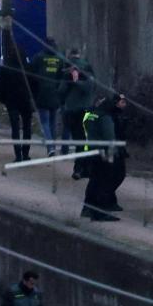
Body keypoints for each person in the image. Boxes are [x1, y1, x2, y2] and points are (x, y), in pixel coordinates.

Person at [81, 93, 129, 221]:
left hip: (91, 150)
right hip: (104, 153)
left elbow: (85, 127)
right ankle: (99, 212)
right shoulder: (105, 117)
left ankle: (88, 209)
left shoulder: (91, 114)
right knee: (103, 182)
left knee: (94, 181)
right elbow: (110, 137)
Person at [0, 46, 38, 163]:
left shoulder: (6, 69)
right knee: (27, 127)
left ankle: (18, 155)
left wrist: (3, 99)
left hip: (11, 101)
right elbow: (35, 84)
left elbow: (0, 86)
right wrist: (34, 98)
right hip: (26, 101)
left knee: (15, 128)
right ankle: (26, 153)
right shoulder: (28, 68)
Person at [62, 51, 96, 177]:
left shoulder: (81, 73)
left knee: (80, 141)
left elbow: (62, 91)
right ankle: (82, 168)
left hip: (76, 111)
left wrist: (74, 81)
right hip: (83, 111)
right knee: (83, 140)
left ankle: (80, 168)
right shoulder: (85, 69)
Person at [30, 50, 67, 157]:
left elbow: (32, 75)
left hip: (42, 95)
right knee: (52, 122)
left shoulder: (39, 57)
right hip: (55, 95)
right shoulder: (60, 59)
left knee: (45, 122)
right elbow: (62, 77)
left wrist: (34, 93)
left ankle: (50, 147)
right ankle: (53, 147)